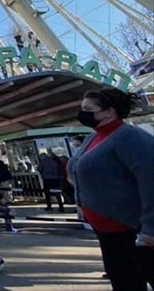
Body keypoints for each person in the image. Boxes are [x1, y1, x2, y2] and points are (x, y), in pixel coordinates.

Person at [68, 89, 154, 291]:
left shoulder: (129, 136)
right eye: (82, 108)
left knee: (136, 275)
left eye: (89, 109)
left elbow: (150, 179)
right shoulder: (94, 137)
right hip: (107, 230)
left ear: (109, 112)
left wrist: (150, 227)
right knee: (123, 280)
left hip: (131, 228)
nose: (83, 113)